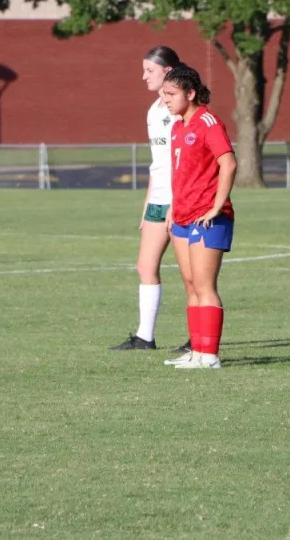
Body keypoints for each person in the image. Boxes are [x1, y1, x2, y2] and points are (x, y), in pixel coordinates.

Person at [110, 46, 190, 353]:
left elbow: (188, 160)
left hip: (182, 200)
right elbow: (159, 163)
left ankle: (198, 338)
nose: (144, 76)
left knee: (191, 274)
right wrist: (148, 201)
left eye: (149, 70)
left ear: (167, 71)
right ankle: (145, 337)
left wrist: (178, 201)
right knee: (145, 265)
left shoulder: (181, 108)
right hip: (159, 199)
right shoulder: (154, 111)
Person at [160, 64, 236, 370]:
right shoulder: (177, 127)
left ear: (190, 93)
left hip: (207, 217)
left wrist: (216, 207)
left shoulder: (208, 122)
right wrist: (172, 206)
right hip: (182, 215)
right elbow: (181, 172)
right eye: (164, 94)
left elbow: (228, 163)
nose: (165, 99)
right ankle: (197, 351)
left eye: (171, 93)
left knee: (205, 287)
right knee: (191, 286)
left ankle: (210, 356)